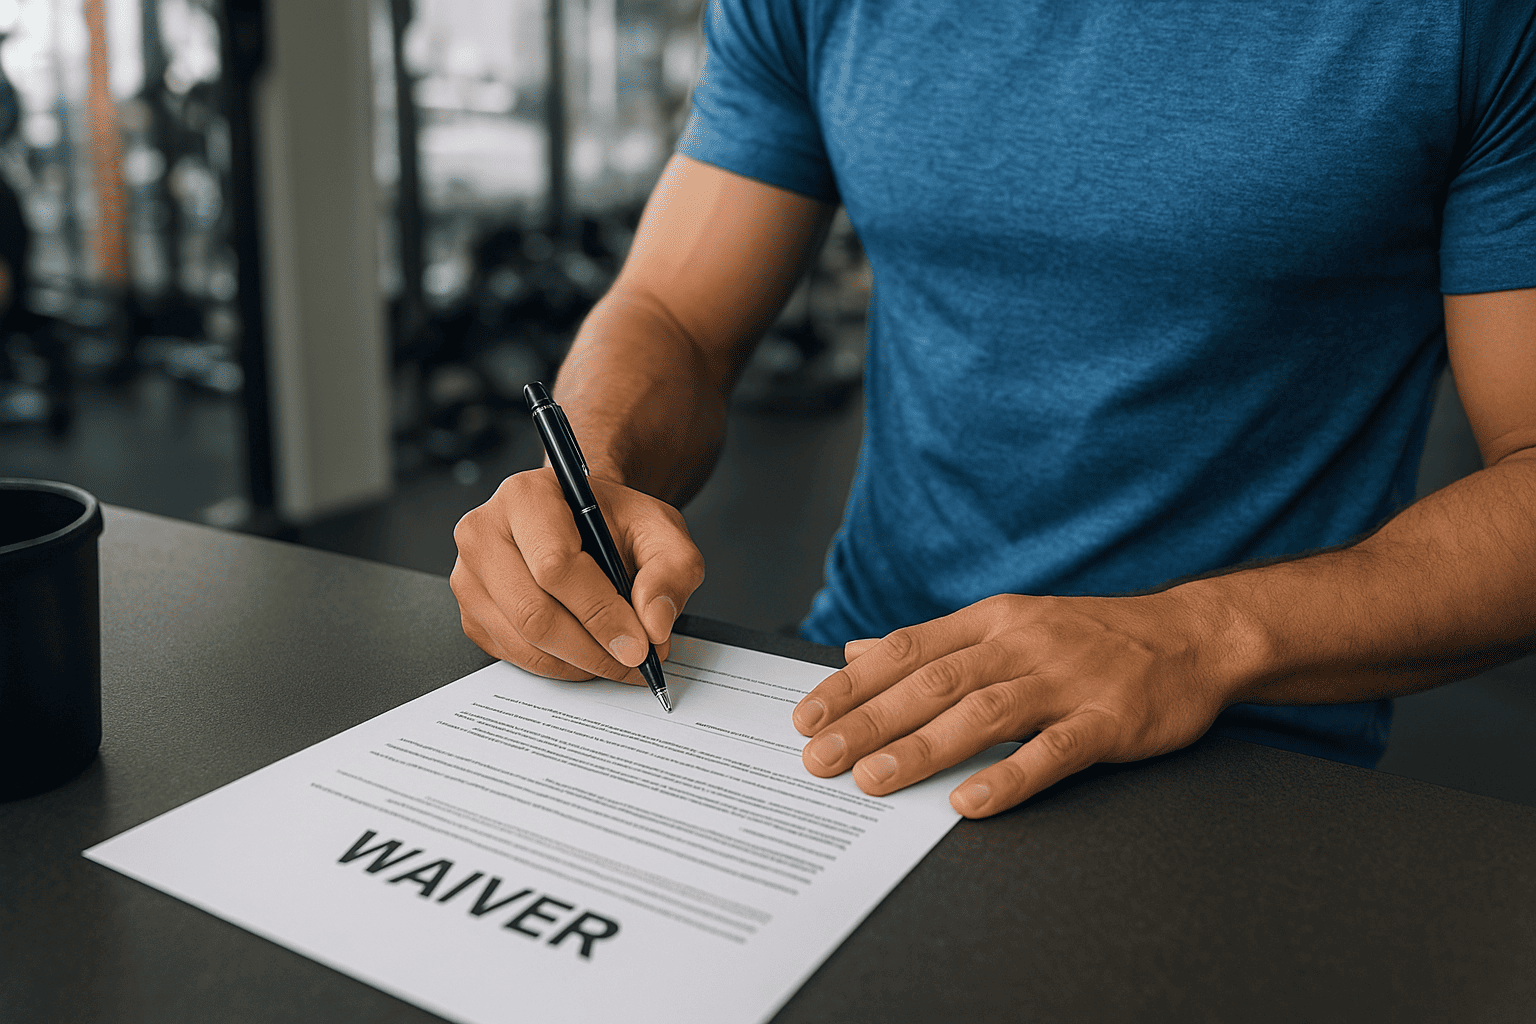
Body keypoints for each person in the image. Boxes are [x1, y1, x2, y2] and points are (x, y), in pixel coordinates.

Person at [451, 1, 1536, 818]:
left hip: (1238, 755)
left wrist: (1196, 639)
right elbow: (675, 314)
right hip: (866, 684)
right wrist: (590, 473)